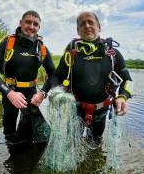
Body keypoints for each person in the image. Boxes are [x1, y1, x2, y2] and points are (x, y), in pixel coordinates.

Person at [54, 11, 133, 146]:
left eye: (91, 22)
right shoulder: (71, 53)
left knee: (95, 144)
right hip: (75, 110)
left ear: (99, 27)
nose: (87, 25)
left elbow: (128, 80)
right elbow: (56, 77)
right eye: (82, 24)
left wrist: (122, 97)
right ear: (78, 30)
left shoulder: (113, 54)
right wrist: (52, 93)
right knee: (72, 144)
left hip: (101, 111)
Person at [0, 10, 55, 148]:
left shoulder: (42, 48)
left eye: (36, 24)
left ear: (39, 28)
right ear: (20, 23)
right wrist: (9, 93)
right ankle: (13, 155)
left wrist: (42, 93)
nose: (31, 26)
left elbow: (54, 74)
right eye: (28, 22)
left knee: (28, 135)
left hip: (32, 94)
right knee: (9, 133)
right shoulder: (8, 44)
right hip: (10, 92)